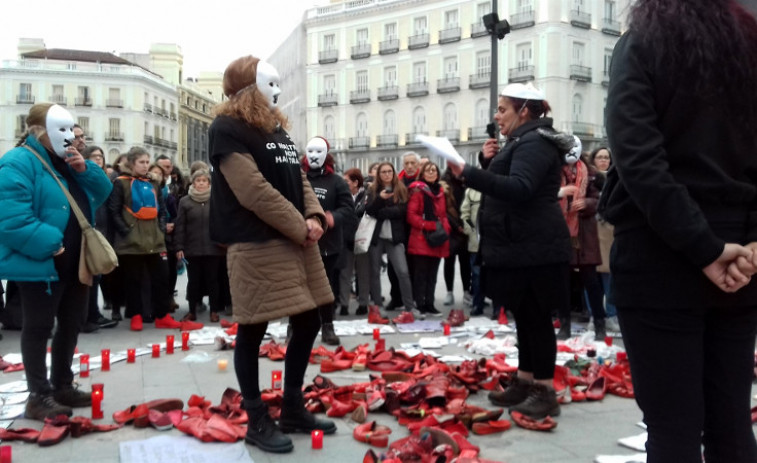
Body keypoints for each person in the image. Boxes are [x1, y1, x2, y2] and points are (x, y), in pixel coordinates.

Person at [602, 1, 757, 461]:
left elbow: (637, 159)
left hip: (660, 256)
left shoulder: (642, 45)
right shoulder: (750, 49)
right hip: (741, 260)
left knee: (673, 430)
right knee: (731, 422)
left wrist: (705, 249)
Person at [208, 55, 336, 454]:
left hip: (294, 238)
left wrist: (314, 214)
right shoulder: (226, 128)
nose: (278, 90)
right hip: (257, 241)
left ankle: (293, 405)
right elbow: (252, 190)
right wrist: (301, 226)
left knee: (309, 318)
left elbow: (297, 176)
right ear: (248, 87)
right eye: (270, 82)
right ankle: (255, 417)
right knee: (253, 327)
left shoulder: (274, 126)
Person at [448, 82, 572, 420]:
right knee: (526, 317)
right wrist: (487, 164)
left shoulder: (534, 142)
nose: (497, 115)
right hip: (521, 246)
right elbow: (505, 186)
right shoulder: (522, 141)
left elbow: (520, 188)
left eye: (503, 109)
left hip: (536, 248)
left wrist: (469, 173)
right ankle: (524, 380)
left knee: (537, 319)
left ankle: (545, 390)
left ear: (524, 111)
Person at [0, 103, 112, 420]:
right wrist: (53, 244)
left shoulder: (66, 162)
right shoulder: (17, 162)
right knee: (39, 327)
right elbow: (9, 218)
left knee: (72, 323)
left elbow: (102, 193)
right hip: (42, 262)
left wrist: (85, 169)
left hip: (76, 262)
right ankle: (39, 396)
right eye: (62, 130)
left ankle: (62, 383)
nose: (70, 138)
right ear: (39, 131)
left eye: (72, 130)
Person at [108, 147, 188, 331]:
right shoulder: (120, 183)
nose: (145, 166)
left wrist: (160, 229)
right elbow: (114, 210)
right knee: (133, 280)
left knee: (161, 278)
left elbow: (161, 209)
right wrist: (126, 231)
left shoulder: (154, 183)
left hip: (155, 239)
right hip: (131, 241)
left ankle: (162, 315)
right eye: (141, 162)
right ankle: (135, 315)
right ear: (131, 164)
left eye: (147, 162)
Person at [299, 136, 354, 345]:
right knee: (299, 285)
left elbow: (348, 211)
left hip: (328, 245)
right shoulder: (296, 176)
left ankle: (327, 326)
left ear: (326, 154)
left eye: (318, 152)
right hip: (299, 242)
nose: (313, 156)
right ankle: (294, 327)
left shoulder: (337, 181)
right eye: (310, 151)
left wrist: (332, 218)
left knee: (326, 286)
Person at [556, 137, 606, 340]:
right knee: (563, 281)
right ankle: (564, 325)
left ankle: (600, 324)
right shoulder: (554, 173)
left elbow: (598, 200)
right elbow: (544, 196)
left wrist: (586, 203)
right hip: (561, 232)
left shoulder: (590, 173)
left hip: (584, 232)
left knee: (591, 281)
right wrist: (560, 193)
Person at [365, 162, 417, 316]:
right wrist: (380, 199)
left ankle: (409, 306)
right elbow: (369, 210)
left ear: (394, 173)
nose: (387, 175)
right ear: (379, 175)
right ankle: (378, 306)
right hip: (377, 236)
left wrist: (382, 211)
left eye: (389, 171)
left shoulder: (401, 189)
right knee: (374, 272)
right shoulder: (372, 190)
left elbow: (402, 211)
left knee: (403, 271)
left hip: (395, 236)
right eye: (383, 172)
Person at [174, 170, 225, 323]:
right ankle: (192, 311)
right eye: (198, 181)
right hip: (192, 248)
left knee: (213, 281)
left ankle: (214, 310)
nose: (201, 183)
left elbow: (222, 224)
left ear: (209, 183)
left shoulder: (216, 200)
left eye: (204, 181)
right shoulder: (185, 201)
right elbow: (180, 226)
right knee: (193, 281)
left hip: (213, 248)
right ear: (193, 183)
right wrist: (179, 247)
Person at [80, 145, 119, 333]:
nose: (98, 159)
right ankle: (86, 315)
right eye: (94, 156)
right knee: (87, 278)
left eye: (100, 156)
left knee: (97, 276)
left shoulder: (105, 180)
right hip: (89, 231)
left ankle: (93, 313)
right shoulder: (83, 178)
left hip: (103, 230)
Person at [406, 162, 450, 316]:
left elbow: (443, 214)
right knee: (420, 275)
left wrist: (445, 227)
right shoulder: (418, 191)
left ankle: (430, 304)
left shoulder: (441, 192)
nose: (431, 172)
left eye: (434, 170)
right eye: (428, 170)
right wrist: (430, 225)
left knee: (432, 276)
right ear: (422, 174)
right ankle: (420, 304)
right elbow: (411, 216)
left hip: (437, 239)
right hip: (421, 238)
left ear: (438, 174)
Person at [589, 146, 619, 332]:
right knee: (591, 278)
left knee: (610, 277)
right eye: (599, 157)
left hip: (610, 233)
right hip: (590, 232)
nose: (603, 161)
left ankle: (611, 315)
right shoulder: (588, 179)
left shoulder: (615, 178)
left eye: (606, 157)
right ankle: (595, 315)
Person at [338, 168, 375, 315]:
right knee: (345, 273)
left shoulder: (367, 195)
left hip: (362, 238)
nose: (343, 184)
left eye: (346, 181)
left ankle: (363, 304)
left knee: (363, 272)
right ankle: (344, 304)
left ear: (355, 182)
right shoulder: (341, 196)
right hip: (346, 239)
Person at [441, 167, 471, 307]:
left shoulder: (467, 182)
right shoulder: (444, 184)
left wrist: (465, 225)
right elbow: (443, 210)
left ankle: (466, 292)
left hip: (466, 227)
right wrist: (456, 226)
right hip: (451, 228)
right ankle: (449, 292)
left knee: (466, 263)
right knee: (449, 261)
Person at [460, 186, 485, 316]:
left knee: (498, 274)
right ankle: (477, 304)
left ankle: (500, 308)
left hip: (496, 239)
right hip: (476, 240)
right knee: (476, 274)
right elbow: (465, 213)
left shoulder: (500, 186)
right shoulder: (472, 190)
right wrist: (471, 232)